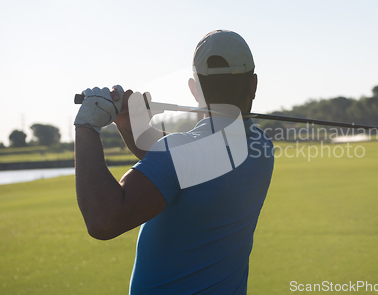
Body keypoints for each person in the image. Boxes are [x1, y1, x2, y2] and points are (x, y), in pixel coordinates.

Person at [74, 30, 275, 294]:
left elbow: (104, 220)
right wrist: (132, 125)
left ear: (194, 89)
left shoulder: (180, 154)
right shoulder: (261, 146)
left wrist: (86, 124)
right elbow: (179, 167)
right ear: (254, 85)